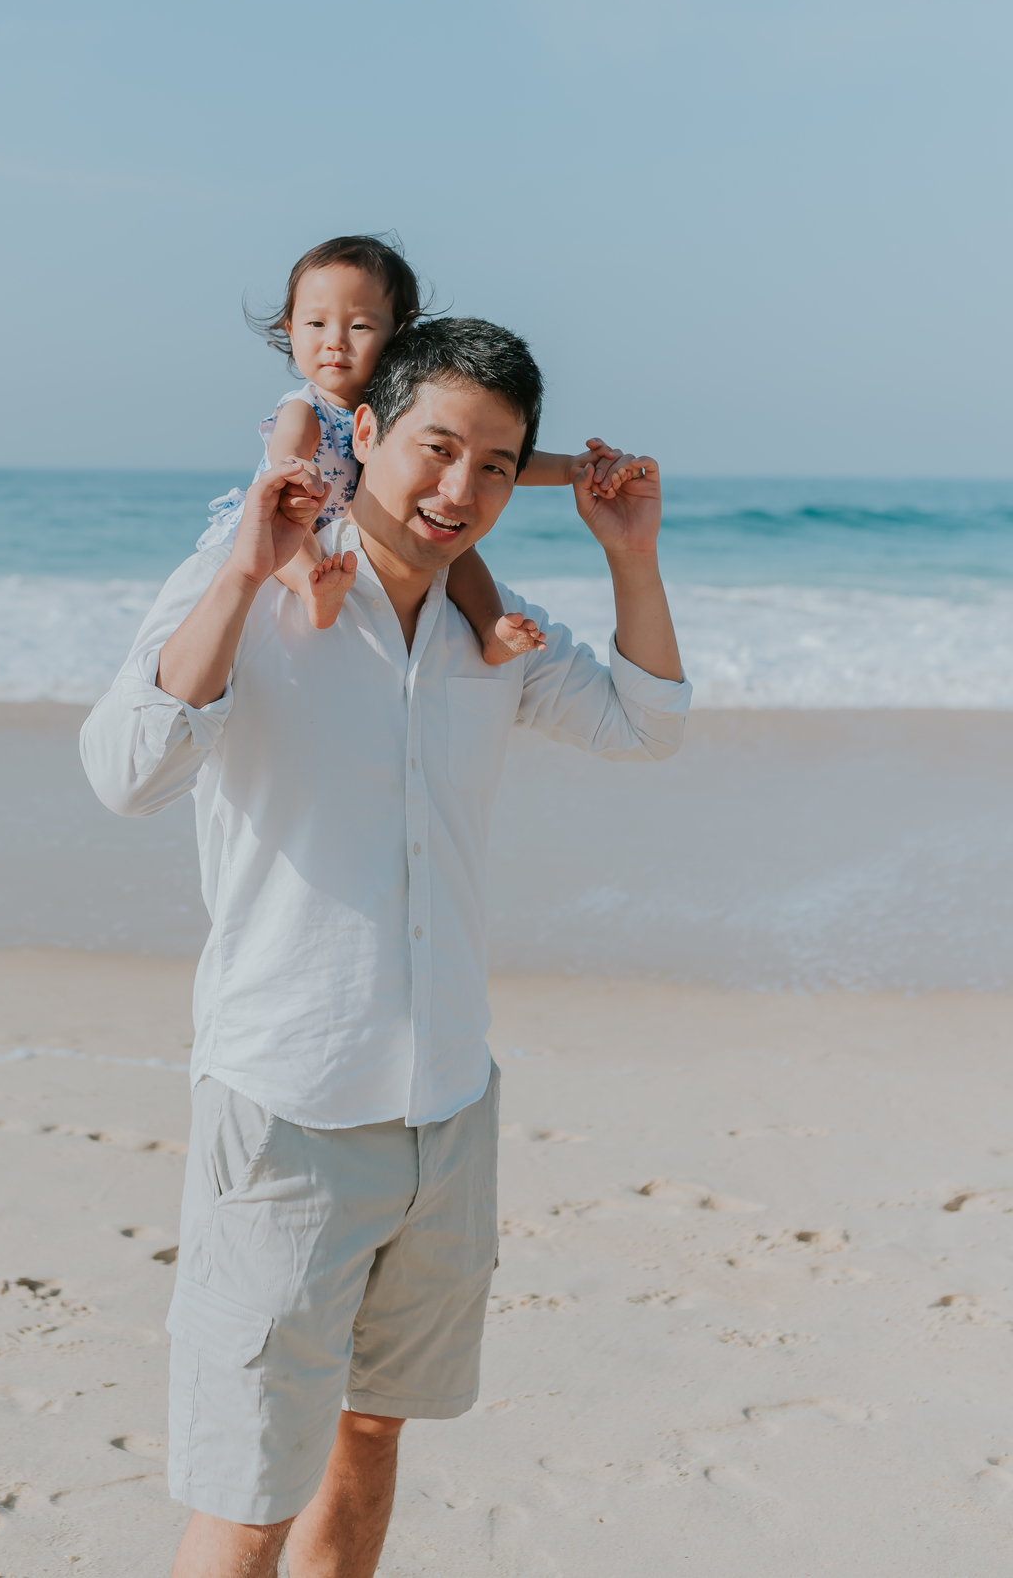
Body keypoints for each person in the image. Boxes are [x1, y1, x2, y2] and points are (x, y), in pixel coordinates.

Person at [79, 316, 690, 1578]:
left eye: (493, 461)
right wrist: (243, 574)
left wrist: (630, 557)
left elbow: (646, 726)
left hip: (446, 1109)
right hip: (289, 1112)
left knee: (368, 1438)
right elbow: (126, 770)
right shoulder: (253, 586)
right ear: (366, 432)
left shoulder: (494, 631)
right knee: (246, 1496)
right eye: (434, 447)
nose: (457, 488)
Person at [200, 233, 631, 661]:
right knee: (290, 528)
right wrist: (297, 470)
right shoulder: (307, 407)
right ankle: (313, 591)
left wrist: (572, 468)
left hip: (355, 530)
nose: (335, 341)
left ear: (397, 334)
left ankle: (491, 628)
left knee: (459, 552)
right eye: (316, 324)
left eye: (360, 326)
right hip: (297, 515)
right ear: (290, 329)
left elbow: (499, 459)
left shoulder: (408, 409)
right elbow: (289, 451)